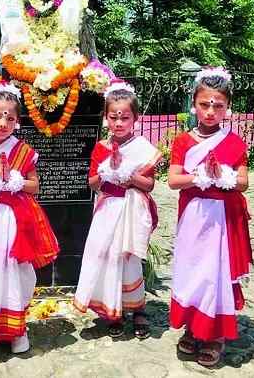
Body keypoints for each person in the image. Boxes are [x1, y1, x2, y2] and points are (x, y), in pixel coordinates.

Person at [0, 79, 60, 355]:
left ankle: (17, 329)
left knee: (18, 274)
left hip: (18, 224)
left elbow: (35, 186)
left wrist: (16, 181)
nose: (3, 123)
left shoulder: (23, 152)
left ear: (17, 121)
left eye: (10, 118)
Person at [166, 67, 253, 367]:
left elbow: (243, 181)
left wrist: (223, 175)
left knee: (216, 273)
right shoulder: (183, 142)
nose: (211, 110)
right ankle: (193, 326)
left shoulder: (233, 143)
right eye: (205, 104)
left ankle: (215, 334)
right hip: (194, 217)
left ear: (227, 107)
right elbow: (173, 180)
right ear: (194, 103)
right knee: (193, 271)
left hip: (222, 220)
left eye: (218, 104)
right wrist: (200, 176)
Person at [72, 79, 161, 339]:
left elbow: (150, 185)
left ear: (135, 118)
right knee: (108, 257)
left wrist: (129, 175)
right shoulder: (101, 148)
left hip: (131, 210)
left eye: (125, 117)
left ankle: (139, 307)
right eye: (113, 117)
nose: (119, 123)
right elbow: (92, 183)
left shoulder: (142, 148)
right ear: (106, 118)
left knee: (129, 259)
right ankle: (113, 309)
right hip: (108, 209)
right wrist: (106, 171)